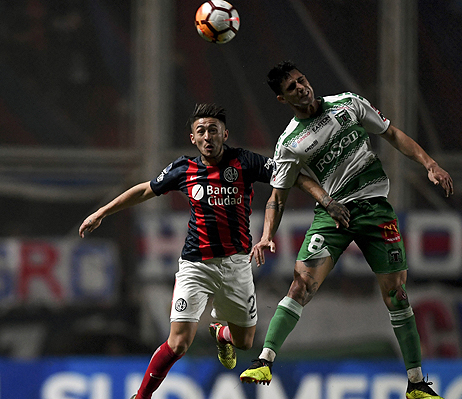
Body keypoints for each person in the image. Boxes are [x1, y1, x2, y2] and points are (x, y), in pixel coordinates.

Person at [79, 103, 349, 399]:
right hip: (196, 266)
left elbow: (292, 175)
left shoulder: (245, 162)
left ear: (225, 134)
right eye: (201, 131)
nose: (207, 136)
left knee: (245, 342)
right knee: (178, 343)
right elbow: (145, 189)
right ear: (193, 138)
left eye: (213, 130)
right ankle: (141, 396)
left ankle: (222, 333)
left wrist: (327, 201)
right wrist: (103, 212)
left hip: (237, 265)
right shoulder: (184, 169)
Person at [239, 61, 453, 399]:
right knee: (302, 284)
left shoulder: (348, 103)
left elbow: (392, 133)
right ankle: (264, 360)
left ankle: (415, 383)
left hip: (375, 209)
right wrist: (266, 236)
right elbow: (277, 198)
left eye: (301, 79)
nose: (301, 87)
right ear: (282, 99)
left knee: (396, 294)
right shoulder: (290, 143)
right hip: (332, 215)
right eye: (292, 87)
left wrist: (430, 164)